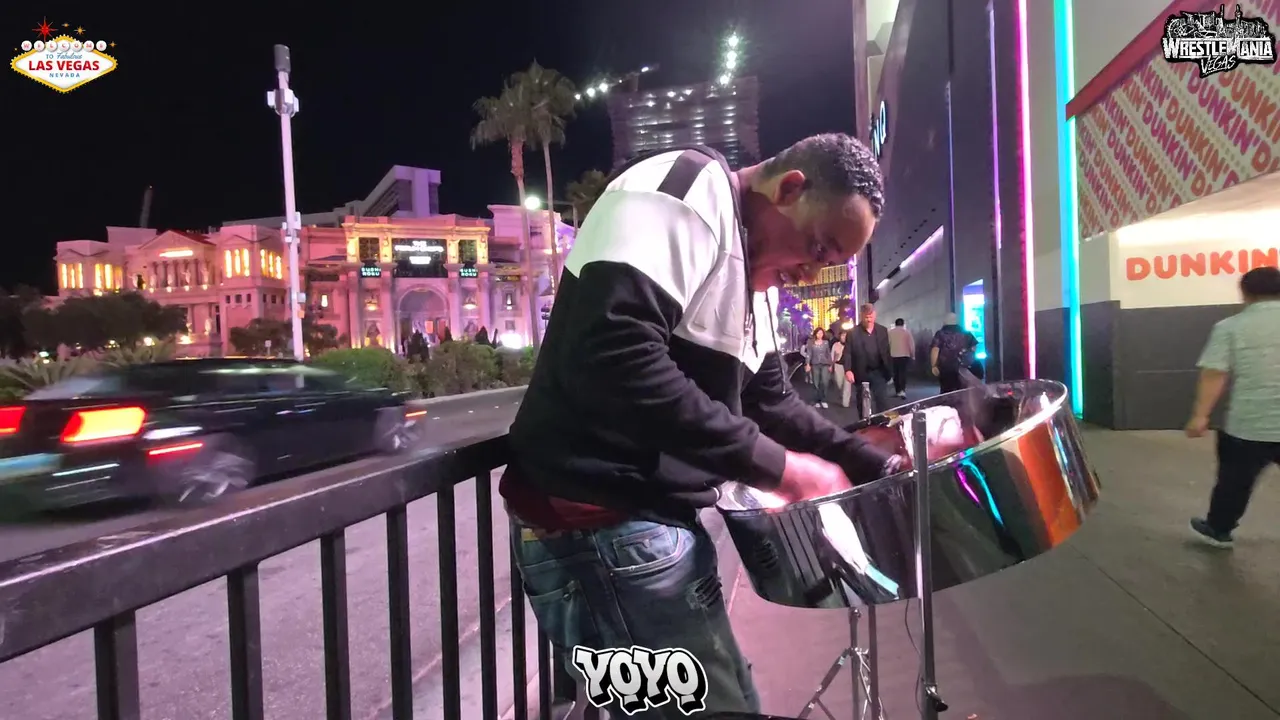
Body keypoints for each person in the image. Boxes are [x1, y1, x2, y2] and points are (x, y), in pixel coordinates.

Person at [500, 135, 904, 717]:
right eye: (818, 248)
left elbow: (772, 403)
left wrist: (879, 462)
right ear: (789, 189)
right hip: (599, 523)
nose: (809, 273)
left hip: (644, 525)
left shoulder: (754, 274)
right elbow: (615, 356)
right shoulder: (682, 193)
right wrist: (782, 469)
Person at [1186, 266, 1280, 547]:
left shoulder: (1230, 328)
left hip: (1249, 424)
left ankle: (1219, 529)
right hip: (1252, 423)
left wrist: (1200, 416)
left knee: (1234, 481)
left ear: (1245, 293)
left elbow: (1215, 374)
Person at [841, 304, 893, 417]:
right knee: (863, 402)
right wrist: (848, 370)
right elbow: (847, 352)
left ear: (875, 315)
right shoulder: (853, 333)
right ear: (861, 316)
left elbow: (886, 351)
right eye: (866, 317)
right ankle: (865, 423)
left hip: (879, 371)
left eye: (871, 316)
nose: (869, 320)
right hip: (861, 372)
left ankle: (882, 422)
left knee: (882, 401)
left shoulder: (882, 330)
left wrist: (889, 369)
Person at [929, 313, 978, 394]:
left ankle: (948, 401)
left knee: (946, 390)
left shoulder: (940, 334)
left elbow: (935, 350)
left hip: (945, 367)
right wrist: (969, 357)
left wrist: (934, 365)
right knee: (962, 389)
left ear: (945, 321)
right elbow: (973, 347)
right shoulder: (966, 333)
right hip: (963, 367)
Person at [804, 327, 835, 408]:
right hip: (815, 364)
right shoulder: (811, 343)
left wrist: (831, 364)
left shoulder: (826, 343)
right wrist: (807, 364)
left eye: (821, 333)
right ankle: (816, 400)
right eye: (818, 333)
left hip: (825, 364)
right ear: (815, 334)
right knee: (816, 382)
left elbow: (828, 354)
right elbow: (809, 354)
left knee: (825, 382)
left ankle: (823, 399)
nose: (820, 335)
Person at [887, 318, 914, 399]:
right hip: (905, 355)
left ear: (895, 324)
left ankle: (898, 391)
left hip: (893, 355)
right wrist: (913, 355)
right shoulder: (907, 332)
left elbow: (887, 344)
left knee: (896, 373)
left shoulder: (890, 332)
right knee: (903, 373)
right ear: (903, 324)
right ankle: (902, 390)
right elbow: (911, 345)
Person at [831, 329, 850, 407]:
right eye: (842, 335)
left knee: (847, 384)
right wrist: (831, 365)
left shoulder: (850, 345)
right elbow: (832, 356)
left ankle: (845, 403)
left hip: (848, 366)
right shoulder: (836, 345)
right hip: (838, 365)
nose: (844, 337)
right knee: (839, 383)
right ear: (840, 336)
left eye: (846, 335)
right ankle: (842, 393)